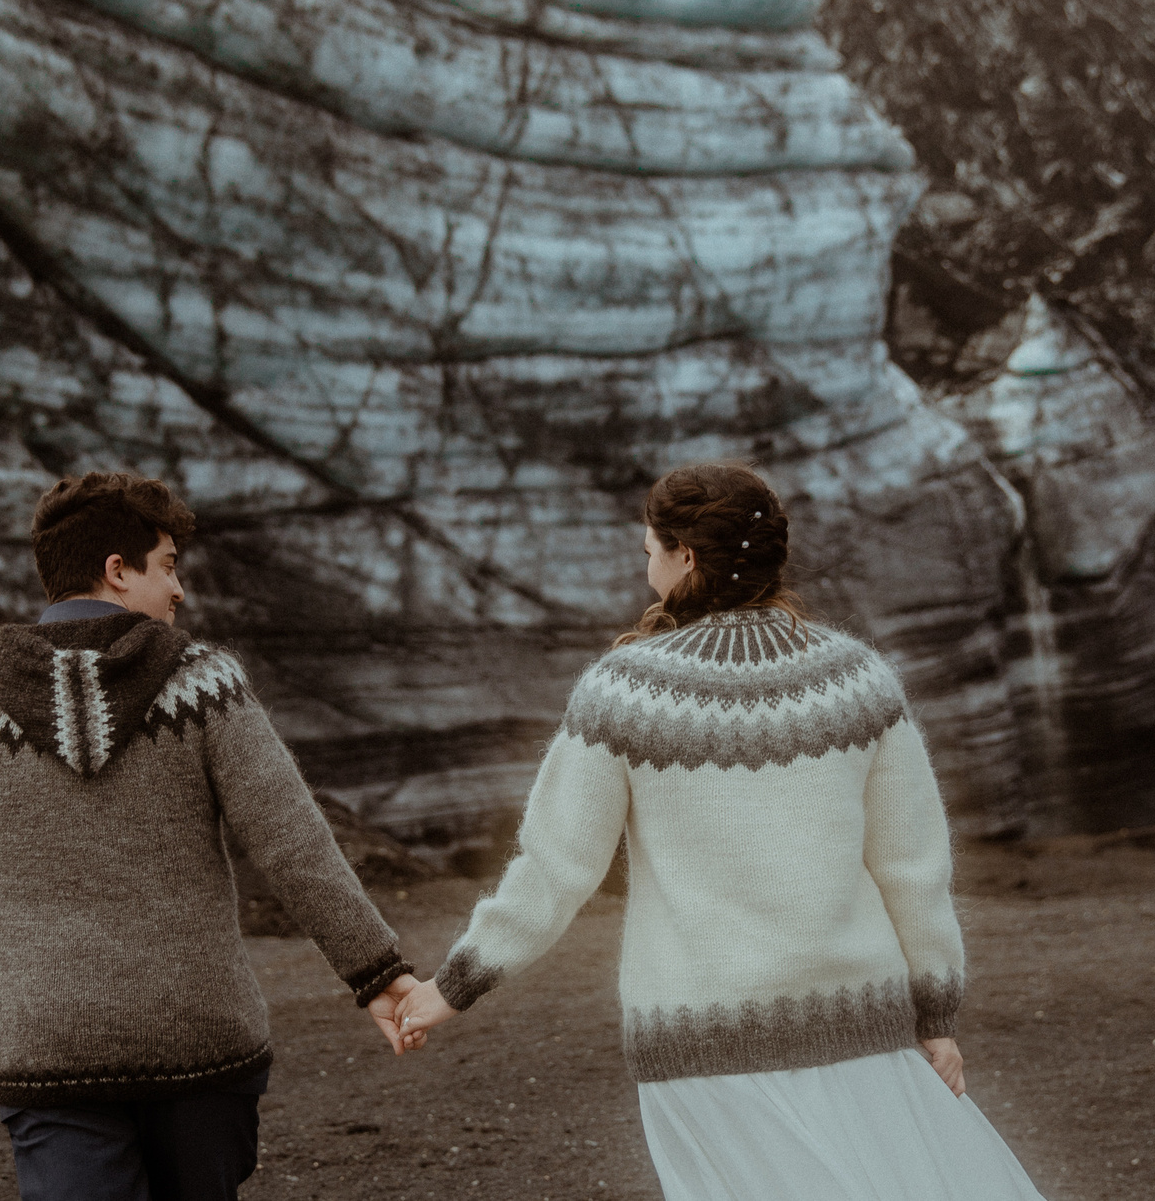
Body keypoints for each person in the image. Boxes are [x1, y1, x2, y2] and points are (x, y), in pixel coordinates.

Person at [394, 462, 1048, 1201]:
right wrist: (936, 1015)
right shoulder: (860, 682)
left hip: (697, 1043)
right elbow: (912, 866)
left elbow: (555, 868)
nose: (646, 565)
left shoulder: (624, 693)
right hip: (860, 1023)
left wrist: (452, 986)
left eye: (650, 550)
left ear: (687, 557)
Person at [0, 470, 418, 1200]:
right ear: (117, 569)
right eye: (167, 565)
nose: (179, 591)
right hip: (201, 1043)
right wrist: (377, 973)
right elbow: (293, 844)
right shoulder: (203, 685)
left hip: (48, 1051)